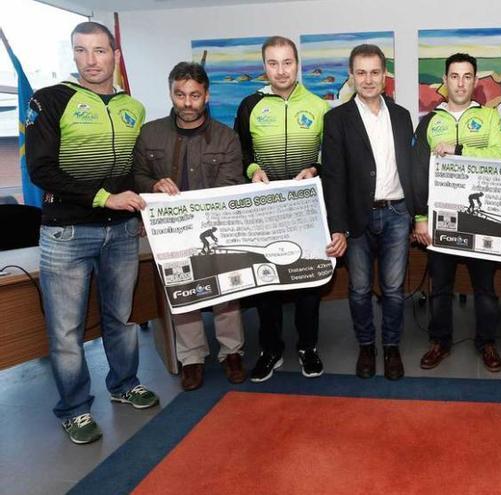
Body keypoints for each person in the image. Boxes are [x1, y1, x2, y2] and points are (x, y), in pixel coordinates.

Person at [25, 22, 159, 445]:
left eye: (99, 51)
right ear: (74, 55)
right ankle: (75, 409)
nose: (90, 60)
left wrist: (149, 191)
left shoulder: (131, 107)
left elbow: (132, 170)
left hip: (120, 232)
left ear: (114, 55)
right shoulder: (49, 101)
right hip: (66, 234)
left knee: (121, 318)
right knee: (66, 331)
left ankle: (124, 385)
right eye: (81, 51)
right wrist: (106, 197)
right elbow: (41, 171)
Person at [234, 36, 342, 382]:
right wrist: (253, 171)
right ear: (264, 66)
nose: (281, 70)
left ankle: (308, 347)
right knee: (267, 283)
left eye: (287, 62)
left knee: (308, 283)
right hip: (264, 209)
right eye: (273, 63)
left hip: (306, 208)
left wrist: (315, 169)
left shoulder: (319, 106)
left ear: (299, 64)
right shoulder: (250, 105)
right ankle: (270, 349)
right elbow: (242, 152)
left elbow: (330, 156)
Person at [133, 62, 247, 391]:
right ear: (171, 93)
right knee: (183, 293)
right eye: (180, 94)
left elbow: (230, 184)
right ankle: (192, 356)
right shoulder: (149, 133)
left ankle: (232, 351)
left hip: (214, 228)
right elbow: (137, 175)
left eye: (194, 95)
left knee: (226, 290)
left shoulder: (227, 138)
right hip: (170, 234)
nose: (187, 102)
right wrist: (154, 185)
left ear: (206, 96)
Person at [321, 44, 416, 380]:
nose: (368, 79)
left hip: (396, 214)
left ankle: (390, 348)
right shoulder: (336, 120)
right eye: (361, 72)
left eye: (375, 72)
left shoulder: (403, 117)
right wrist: (338, 227)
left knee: (393, 289)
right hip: (357, 219)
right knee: (359, 289)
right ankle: (366, 346)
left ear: (385, 76)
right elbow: (332, 178)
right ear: (351, 76)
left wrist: (416, 215)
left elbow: (411, 169)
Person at [411, 53, 501, 372]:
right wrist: (420, 218)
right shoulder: (429, 121)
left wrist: (461, 150)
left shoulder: (490, 117)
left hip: (481, 217)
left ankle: (487, 342)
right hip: (441, 220)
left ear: (475, 81)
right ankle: (440, 342)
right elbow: (417, 172)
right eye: (455, 76)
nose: (461, 82)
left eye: (467, 76)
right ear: (445, 80)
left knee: (485, 288)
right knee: (440, 287)